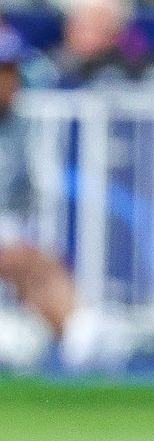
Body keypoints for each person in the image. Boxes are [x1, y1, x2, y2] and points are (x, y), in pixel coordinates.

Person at [0, 28, 135, 373]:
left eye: (12, 70)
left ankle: (79, 329)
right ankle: (80, 332)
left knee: (35, 258)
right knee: (25, 257)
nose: (9, 81)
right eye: (3, 71)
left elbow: (26, 199)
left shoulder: (18, 126)